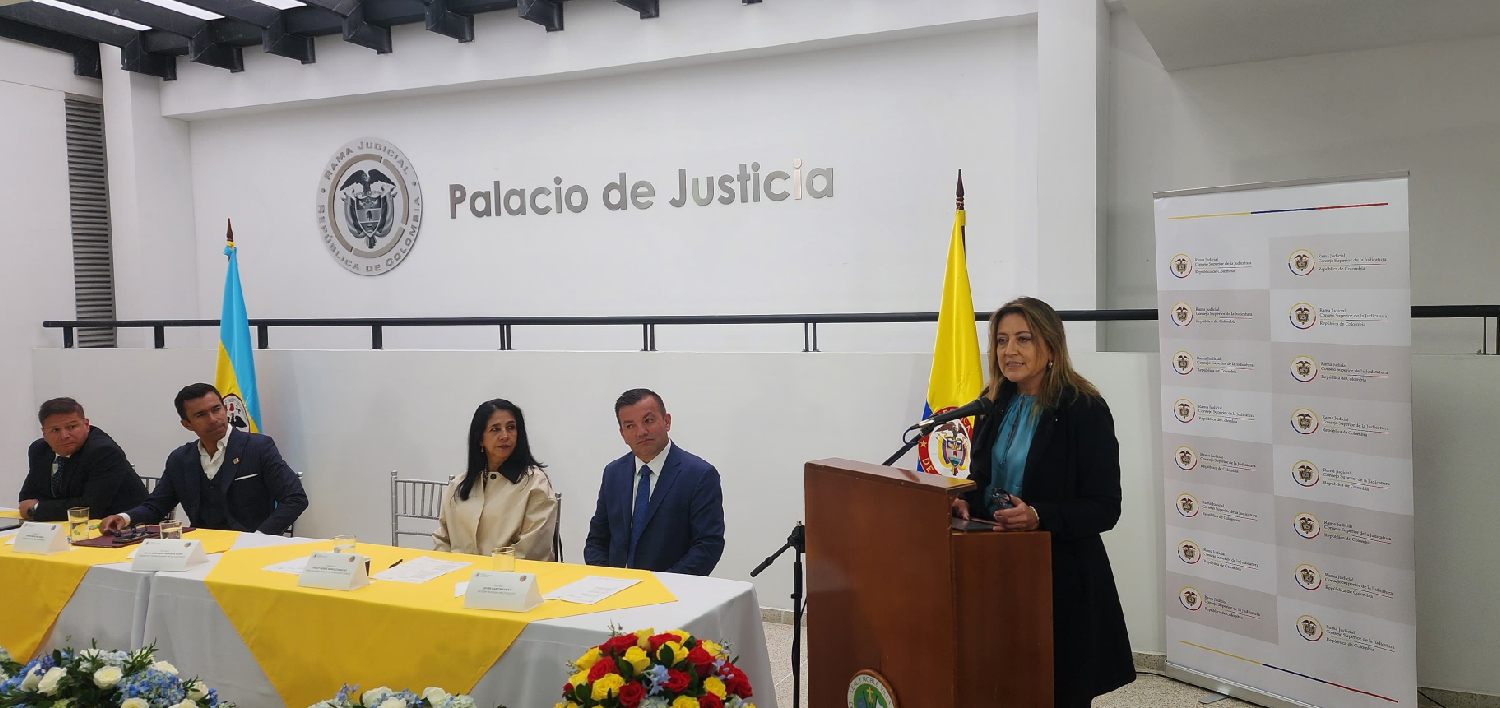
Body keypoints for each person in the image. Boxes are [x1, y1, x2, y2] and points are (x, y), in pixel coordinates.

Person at [952, 297, 1136, 707]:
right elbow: (982, 475)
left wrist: (1038, 516)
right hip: (993, 567)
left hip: (1059, 576)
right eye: (1001, 340)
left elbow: (1106, 505)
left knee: (1055, 689)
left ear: (1051, 348)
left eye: (1023, 339)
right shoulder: (993, 402)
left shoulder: (1083, 409)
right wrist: (965, 498)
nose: (1009, 351)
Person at [100, 383, 307, 536]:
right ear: (187, 424)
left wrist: (260, 537)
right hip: (199, 550)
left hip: (251, 549)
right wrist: (124, 518)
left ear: (225, 409)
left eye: (216, 409)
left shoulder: (258, 447)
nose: (213, 419)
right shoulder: (180, 459)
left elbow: (295, 498)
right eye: (201, 415)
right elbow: (156, 506)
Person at [585, 388, 724, 575]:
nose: (641, 432)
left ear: (667, 421)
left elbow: (708, 545)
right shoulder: (613, 473)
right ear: (622, 433)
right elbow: (597, 539)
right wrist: (604, 577)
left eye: (648, 421)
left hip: (673, 593)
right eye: (630, 426)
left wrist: (661, 586)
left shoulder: (699, 475)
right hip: (615, 590)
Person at [433, 399, 559, 560]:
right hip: (458, 577)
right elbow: (443, 539)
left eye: (511, 428)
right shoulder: (460, 484)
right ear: (480, 439)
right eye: (495, 429)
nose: (505, 436)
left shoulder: (535, 483)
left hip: (509, 579)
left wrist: (483, 577)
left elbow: (531, 551)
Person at [18, 398, 147, 521]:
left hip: (124, 529)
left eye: (72, 427)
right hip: (63, 527)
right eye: (55, 430)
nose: (64, 436)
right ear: (44, 433)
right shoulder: (40, 450)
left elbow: (90, 508)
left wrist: (36, 508)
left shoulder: (103, 451)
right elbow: (27, 497)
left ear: (86, 425)